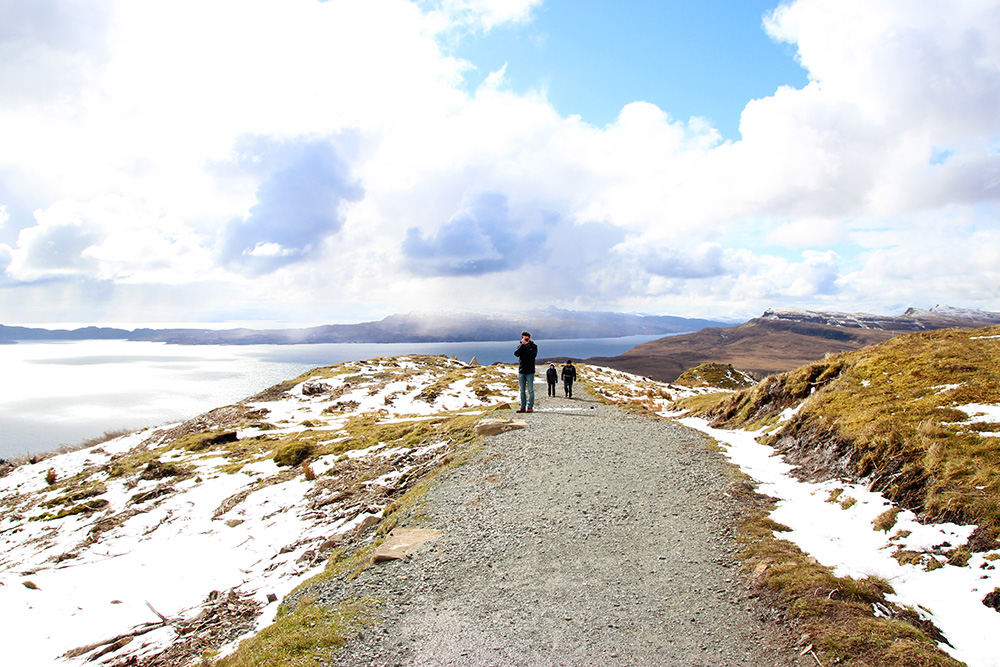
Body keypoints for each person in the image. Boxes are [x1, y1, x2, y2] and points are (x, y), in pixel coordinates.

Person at [514, 331, 537, 412]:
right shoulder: (520, 346)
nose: (526, 340)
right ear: (522, 338)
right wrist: (522, 345)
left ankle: (530, 407)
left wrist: (527, 346)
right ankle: (522, 407)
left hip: (530, 371)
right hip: (522, 371)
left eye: (527, 338)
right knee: (522, 390)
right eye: (524, 338)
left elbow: (533, 355)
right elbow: (516, 354)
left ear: (529, 338)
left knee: (530, 390)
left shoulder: (533, 346)